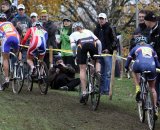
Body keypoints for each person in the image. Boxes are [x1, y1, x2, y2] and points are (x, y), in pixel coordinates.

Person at [125, 35, 159, 117]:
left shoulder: (135, 48)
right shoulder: (151, 47)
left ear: (137, 43)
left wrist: (126, 68)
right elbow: (157, 63)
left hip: (139, 65)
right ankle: (155, 109)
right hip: (152, 66)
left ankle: (137, 87)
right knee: (153, 88)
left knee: (133, 69)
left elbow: (128, 60)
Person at [69, 21, 102, 103]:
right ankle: (97, 75)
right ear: (82, 27)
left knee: (82, 69)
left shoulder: (72, 35)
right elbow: (99, 42)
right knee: (96, 60)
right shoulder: (88, 31)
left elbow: (73, 46)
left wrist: (74, 55)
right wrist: (100, 53)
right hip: (93, 44)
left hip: (81, 45)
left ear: (74, 29)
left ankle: (84, 92)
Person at [94, 13, 117, 94]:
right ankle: (101, 90)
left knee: (108, 73)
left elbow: (115, 41)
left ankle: (107, 90)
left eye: (102, 18)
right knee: (101, 73)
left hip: (108, 54)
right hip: (99, 54)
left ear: (106, 19)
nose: (101, 20)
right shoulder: (96, 29)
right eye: (99, 18)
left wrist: (108, 49)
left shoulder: (110, 28)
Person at [0, 13, 20, 90]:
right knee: (16, 52)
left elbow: (1, 37)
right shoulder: (10, 23)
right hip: (16, 37)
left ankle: (6, 78)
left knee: (5, 58)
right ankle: (17, 67)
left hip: (7, 38)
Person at [144, 11, 160, 105]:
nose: (145, 23)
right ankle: (157, 100)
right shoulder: (150, 30)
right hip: (154, 59)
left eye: (145, 21)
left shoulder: (158, 30)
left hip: (158, 58)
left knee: (157, 79)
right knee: (156, 80)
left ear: (149, 21)